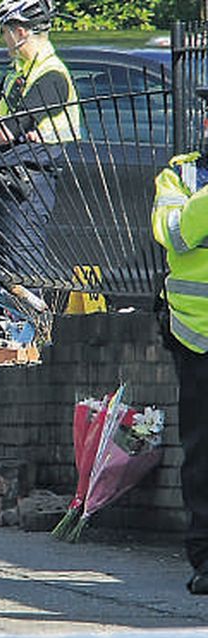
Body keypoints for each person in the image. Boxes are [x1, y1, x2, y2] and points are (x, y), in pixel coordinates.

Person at [0, 0, 80, 275]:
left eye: (5, 31)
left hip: (29, 184)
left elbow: (4, 132)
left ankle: (33, 318)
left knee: (22, 262)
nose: (4, 38)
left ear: (20, 32)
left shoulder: (51, 76)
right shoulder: (16, 74)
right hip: (3, 179)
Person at [151, 150, 208, 593]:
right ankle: (207, 559)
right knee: (204, 456)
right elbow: (174, 233)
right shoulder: (180, 175)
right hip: (198, 335)